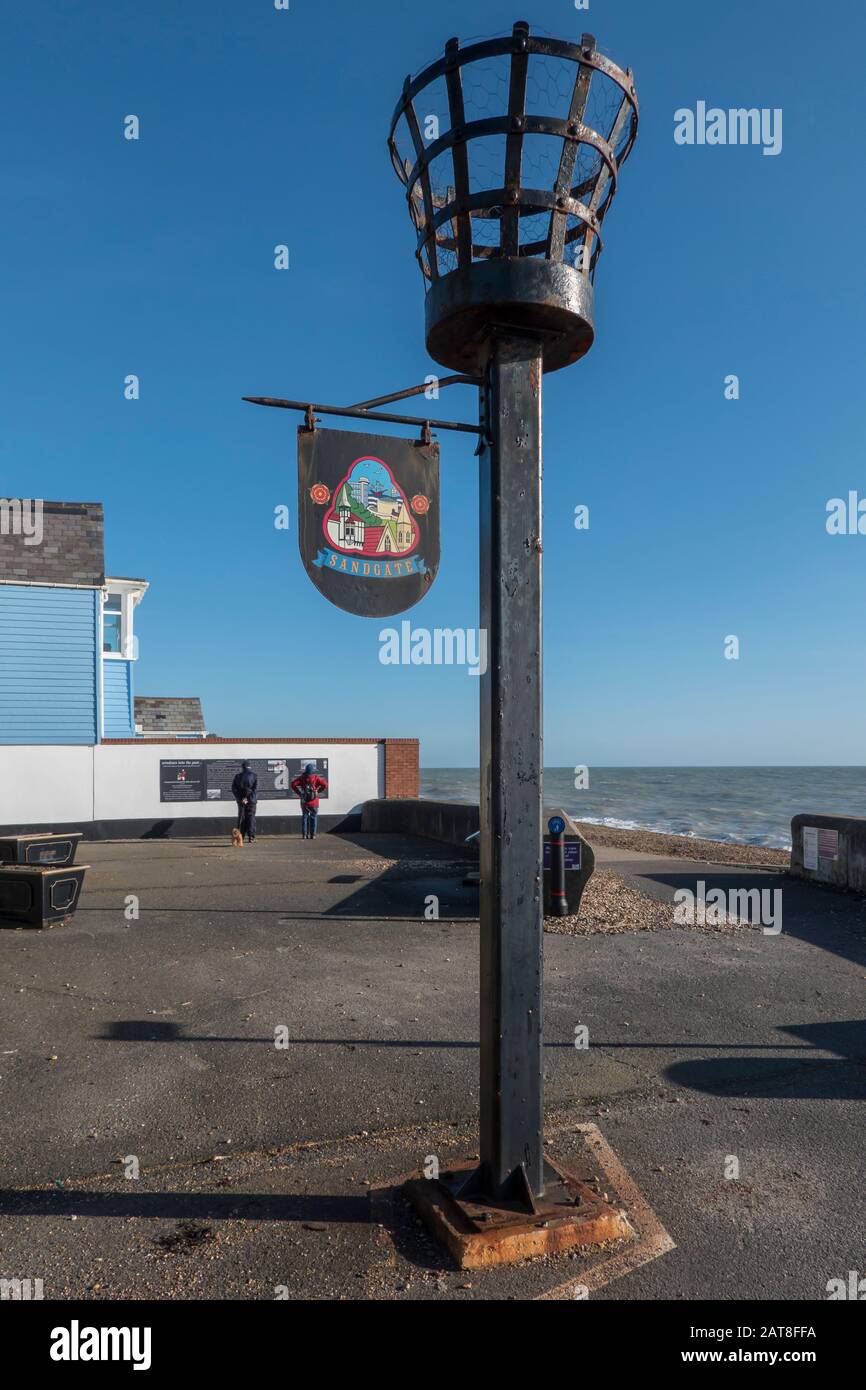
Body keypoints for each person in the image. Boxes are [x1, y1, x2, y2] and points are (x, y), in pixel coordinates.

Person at [291, 762, 328, 839]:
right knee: (314, 817)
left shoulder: (302, 778)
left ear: (306, 770)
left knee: (305, 817)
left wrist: (299, 793)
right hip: (314, 801)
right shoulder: (316, 778)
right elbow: (325, 785)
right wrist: (318, 791)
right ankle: (313, 835)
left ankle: (304, 835)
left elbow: (293, 784)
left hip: (304, 801)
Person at [231, 760, 258, 842]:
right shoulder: (254, 776)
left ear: (242, 767)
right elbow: (254, 789)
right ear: (249, 767)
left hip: (241, 801)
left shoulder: (237, 776)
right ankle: (251, 837)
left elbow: (233, 789)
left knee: (241, 818)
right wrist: (248, 797)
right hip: (251, 801)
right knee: (251, 817)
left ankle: (240, 837)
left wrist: (241, 798)